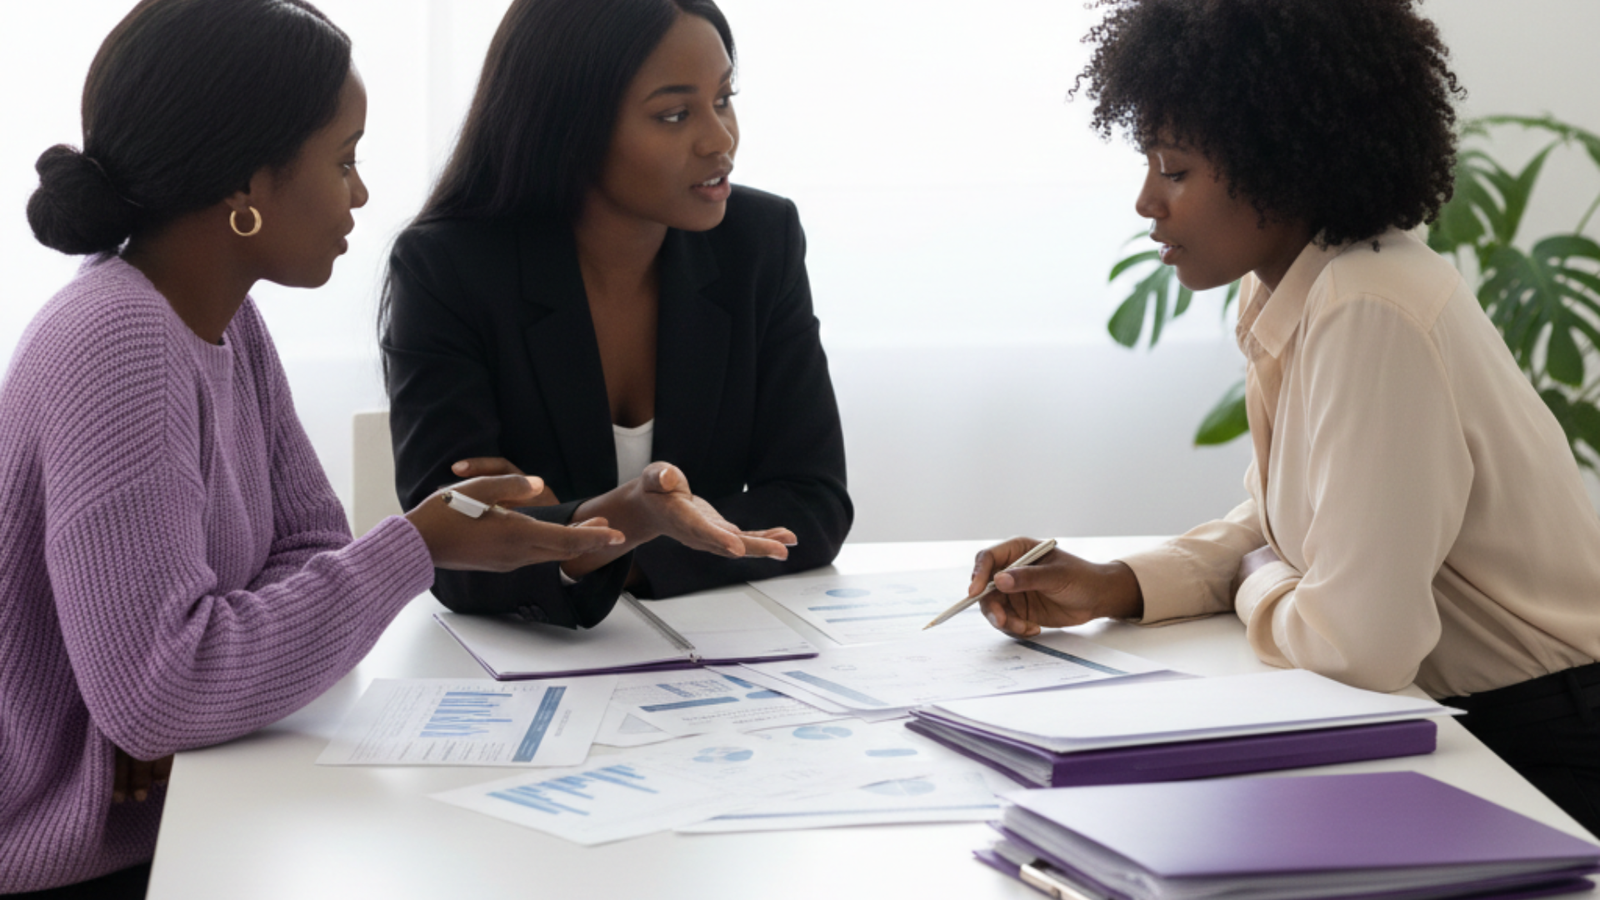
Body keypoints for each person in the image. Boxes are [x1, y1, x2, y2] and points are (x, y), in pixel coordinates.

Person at [0, 1, 622, 894]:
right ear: (247, 186)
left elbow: (308, 553)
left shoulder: (221, 321)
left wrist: (288, 613)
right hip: (81, 859)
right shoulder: (119, 341)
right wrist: (420, 544)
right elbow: (161, 694)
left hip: (190, 811)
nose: (361, 194)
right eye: (343, 160)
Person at [973, 0, 1600, 834]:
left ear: (1283, 165)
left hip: (1546, 750)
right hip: (1477, 723)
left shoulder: (1367, 306)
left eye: (1176, 170)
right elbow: (1281, 526)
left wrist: (1256, 579)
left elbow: (1357, 648)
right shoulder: (1314, 286)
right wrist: (1117, 585)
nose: (1145, 202)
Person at [382, 0, 852, 628]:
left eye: (723, 99)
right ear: (568, 125)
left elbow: (813, 504)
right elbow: (449, 550)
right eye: (675, 113)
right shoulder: (449, 267)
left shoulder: (760, 242)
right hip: (530, 667)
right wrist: (631, 523)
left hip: (712, 649)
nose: (721, 140)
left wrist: (574, 532)